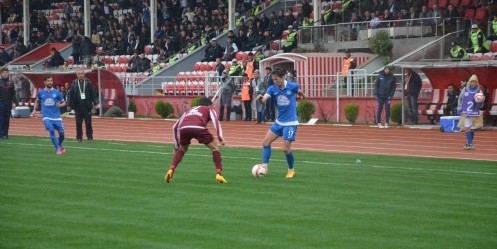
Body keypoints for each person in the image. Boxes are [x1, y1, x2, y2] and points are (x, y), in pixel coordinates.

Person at [165, 97, 227, 184]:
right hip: (199, 128)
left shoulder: (189, 110)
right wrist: (220, 137)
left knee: (182, 149)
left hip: (184, 128)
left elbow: (175, 126)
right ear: (210, 104)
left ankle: (171, 169)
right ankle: (219, 173)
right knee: (215, 148)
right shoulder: (209, 108)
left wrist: (176, 146)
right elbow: (215, 121)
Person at [256, 68, 305, 178]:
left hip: (290, 123)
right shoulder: (272, 88)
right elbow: (265, 99)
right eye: (273, 80)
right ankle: (264, 167)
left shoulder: (292, 86)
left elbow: (299, 91)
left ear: (282, 78)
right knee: (265, 142)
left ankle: (291, 170)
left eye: (276, 79)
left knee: (285, 149)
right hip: (279, 122)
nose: (274, 82)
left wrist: (304, 97)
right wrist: (260, 99)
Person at [30, 75, 66, 154]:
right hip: (46, 116)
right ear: (45, 82)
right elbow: (37, 101)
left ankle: (59, 145)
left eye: (51, 81)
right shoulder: (41, 92)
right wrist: (34, 110)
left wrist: (61, 105)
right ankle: (57, 149)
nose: (50, 82)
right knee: (51, 130)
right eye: (48, 81)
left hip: (57, 116)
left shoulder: (57, 92)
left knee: (62, 134)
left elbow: (64, 102)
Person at [67, 69, 100, 143]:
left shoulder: (88, 83)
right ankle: (79, 138)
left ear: (84, 74)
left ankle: (90, 137)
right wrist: (69, 104)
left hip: (87, 107)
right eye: (79, 74)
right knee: (78, 123)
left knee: (88, 123)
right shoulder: (74, 84)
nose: (80, 75)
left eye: (82, 73)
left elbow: (93, 94)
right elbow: (70, 95)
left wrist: (96, 103)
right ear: (77, 74)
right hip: (77, 107)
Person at [457, 74, 484, 150]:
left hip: (474, 111)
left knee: (472, 128)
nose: (473, 83)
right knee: (467, 127)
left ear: (477, 83)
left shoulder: (479, 91)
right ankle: (470, 142)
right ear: (469, 82)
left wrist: (479, 103)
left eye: (474, 82)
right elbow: (460, 98)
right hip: (466, 111)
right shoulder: (465, 89)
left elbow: (481, 104)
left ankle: (470, 142)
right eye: (471, 82)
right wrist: (459, 107)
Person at [0, 68, 17, 139]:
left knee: (7, 119)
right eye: (4, 72)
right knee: (1, 119)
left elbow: (13, 93)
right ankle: (1, 134)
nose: (5, 74)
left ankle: (5, 134)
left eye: (6, 72)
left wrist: (14, 102)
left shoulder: (11, 83)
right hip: (1, 103)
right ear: (1, 73)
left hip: (8, 103)